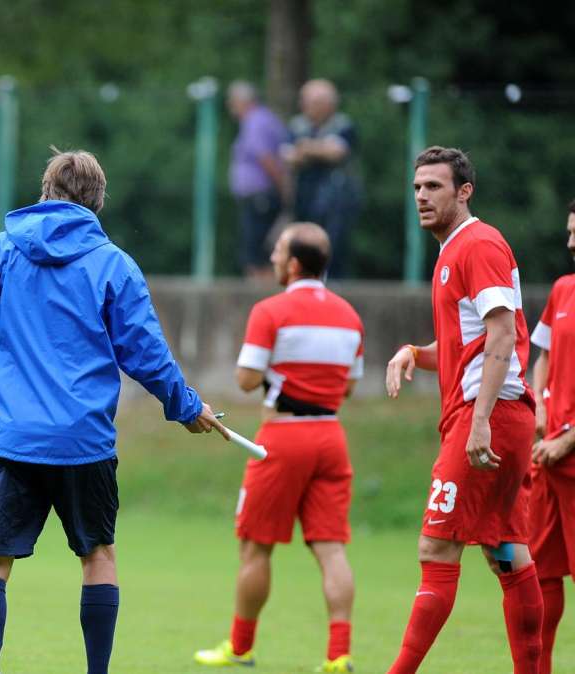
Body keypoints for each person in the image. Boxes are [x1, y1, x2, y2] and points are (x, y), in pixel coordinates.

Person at [0, 148, 229, 674]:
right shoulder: (114, 265)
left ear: (44, 192)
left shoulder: (1, 251)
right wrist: (187, 407)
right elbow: (146, 352)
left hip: (10, 439)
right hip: (82, 441)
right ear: (97, 201)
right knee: (98, 557)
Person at [385, 146, 542, 673]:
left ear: (464, 190)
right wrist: (413, 352)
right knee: (505, 550)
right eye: (417, 188)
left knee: (436, 550)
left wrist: (478, 423)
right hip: (495, 413)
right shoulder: (455, 249)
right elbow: (467, 345)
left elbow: (503, 333)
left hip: (489, 415)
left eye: (434, 186)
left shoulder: (478, 244)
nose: (422, 197)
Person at [193, 222, 362, 672]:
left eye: (278, 252)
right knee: (332, 549)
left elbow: (246, 380)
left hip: (283, 439)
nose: (270, 259)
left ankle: (241, 648)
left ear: (292, 264)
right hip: (331, 436)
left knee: (255, 547)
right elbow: (347, 386)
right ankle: (339, 654)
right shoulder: (350, 315)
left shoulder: (271, 310)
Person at [526, 199, 575, 674]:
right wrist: (539, 405)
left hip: (570, 455)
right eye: (569, 231)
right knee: (542, 574)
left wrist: (569, 437)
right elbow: (540, 355)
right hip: (548, 458)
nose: (570, 242)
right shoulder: (563, 289)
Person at [284, 79, 361, 279]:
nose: (305, 106)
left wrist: (306, 149)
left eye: (312, 102)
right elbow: (288, 157)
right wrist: (319, 149)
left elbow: (337, 152)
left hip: (337, 198)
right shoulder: (298, 125)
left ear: (328, 104)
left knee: (334, 245)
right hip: (304, 196)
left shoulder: (343, 125)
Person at [226, 81, 289, 280]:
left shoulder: (256, 122)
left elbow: (266, 158)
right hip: (257, 196)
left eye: (232, 101)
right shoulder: (257, 121)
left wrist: (283, 189)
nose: (230, 106)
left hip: (260, 196)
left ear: (243, 101)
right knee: (254, 247)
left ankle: (261, 289)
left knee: (257, 249)